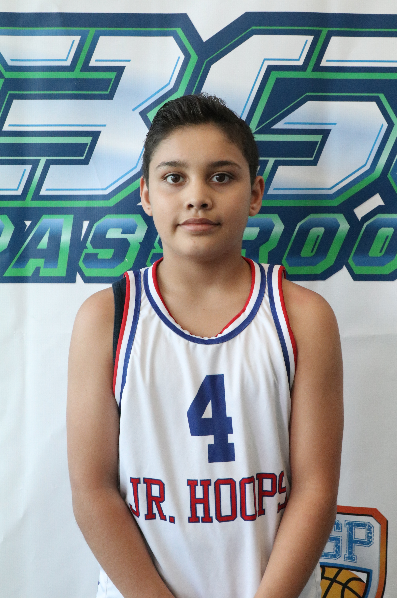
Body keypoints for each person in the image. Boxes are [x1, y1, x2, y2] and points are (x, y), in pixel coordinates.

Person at [67, 94, 343, 598]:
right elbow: (93, 490)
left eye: (221, 176)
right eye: (174, 177)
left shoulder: (303, 317)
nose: (197, 196)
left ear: (255, 193)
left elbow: (315, 489)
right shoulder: (106, 318)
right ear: (146, 194)